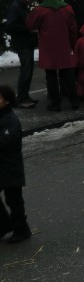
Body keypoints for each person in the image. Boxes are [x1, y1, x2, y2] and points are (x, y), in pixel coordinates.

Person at [26, 0, 79, 112]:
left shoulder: (40, 10)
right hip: (64, 45)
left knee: (51, 76)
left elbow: (30, 24)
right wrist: (73, 45)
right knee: (68, 73)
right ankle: (74, 100)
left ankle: (55, 103)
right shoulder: (67, 8)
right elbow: (73, 29)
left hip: (48, 46)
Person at [0, 85, 31, 244]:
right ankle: (3, 224)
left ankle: (21, 228)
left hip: (10, 167)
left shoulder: (11, 120)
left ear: (6, 101)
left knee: (14, 200)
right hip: (2, 167)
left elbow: (6, 142)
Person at [4, 0, 37, 109]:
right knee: (26, 71)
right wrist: (29, 29)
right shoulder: (15, 7)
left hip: (27, 42)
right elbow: (10, 26)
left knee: (28, 70)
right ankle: (21, 99)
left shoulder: (22, 5)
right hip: (22, 43)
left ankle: (25, 96)